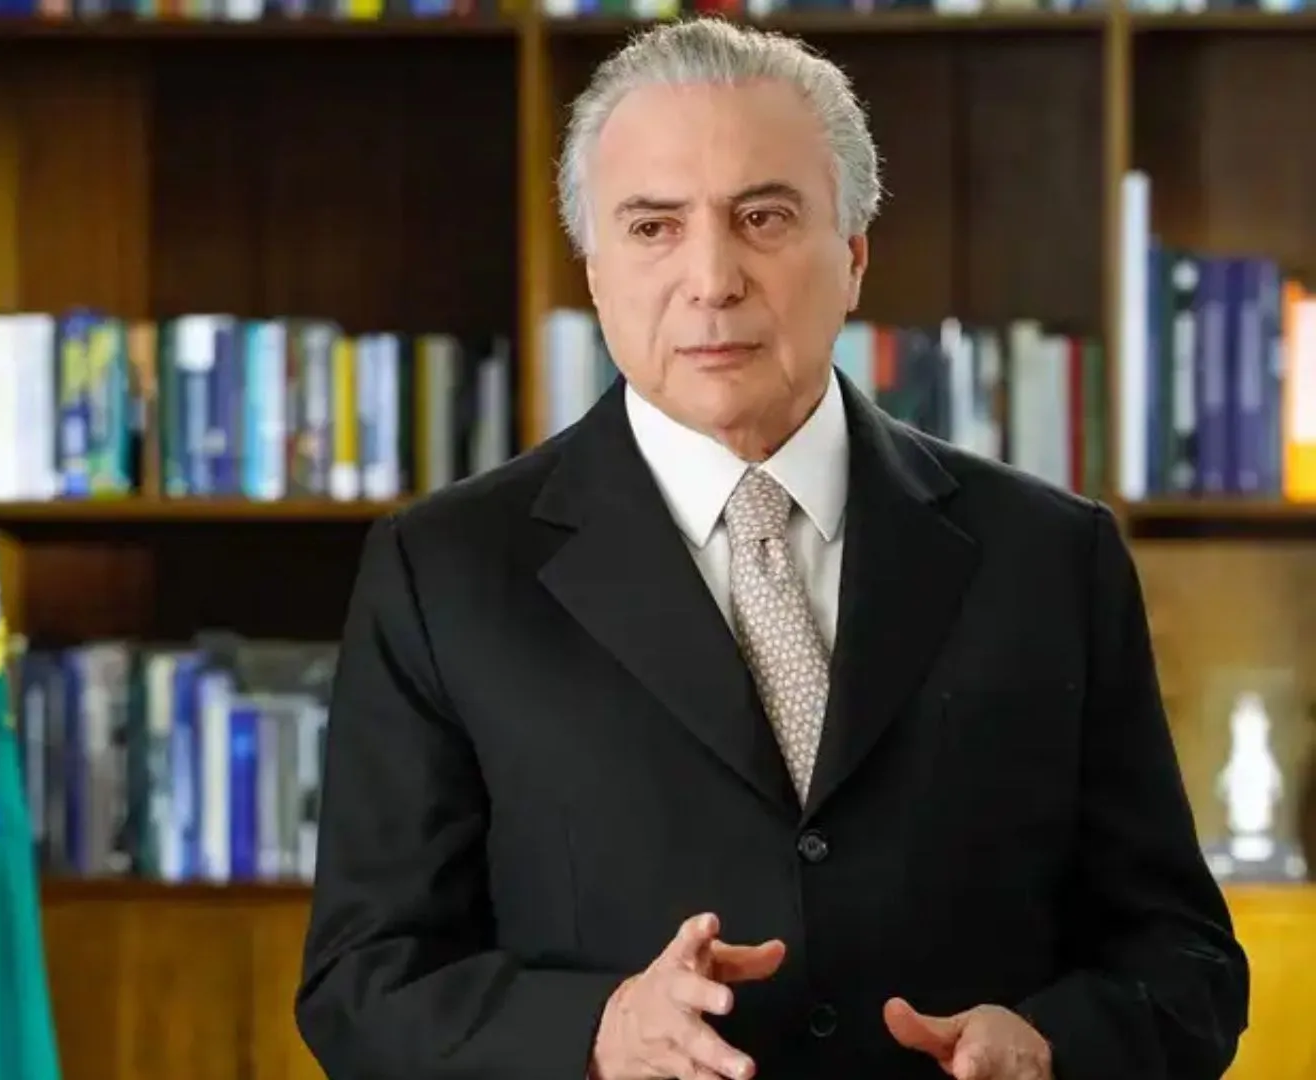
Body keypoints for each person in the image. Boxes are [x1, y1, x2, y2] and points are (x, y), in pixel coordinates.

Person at [293, 15, 1248, 1080]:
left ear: (854, 256)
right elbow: (362, 987)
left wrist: (1053, 1048)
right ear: (595, 272)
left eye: (763, 218)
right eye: (653, 227)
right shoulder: (443, 573)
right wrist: (598, 1032)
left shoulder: (1052, 558)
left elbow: (1187, 964)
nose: (712, 278)